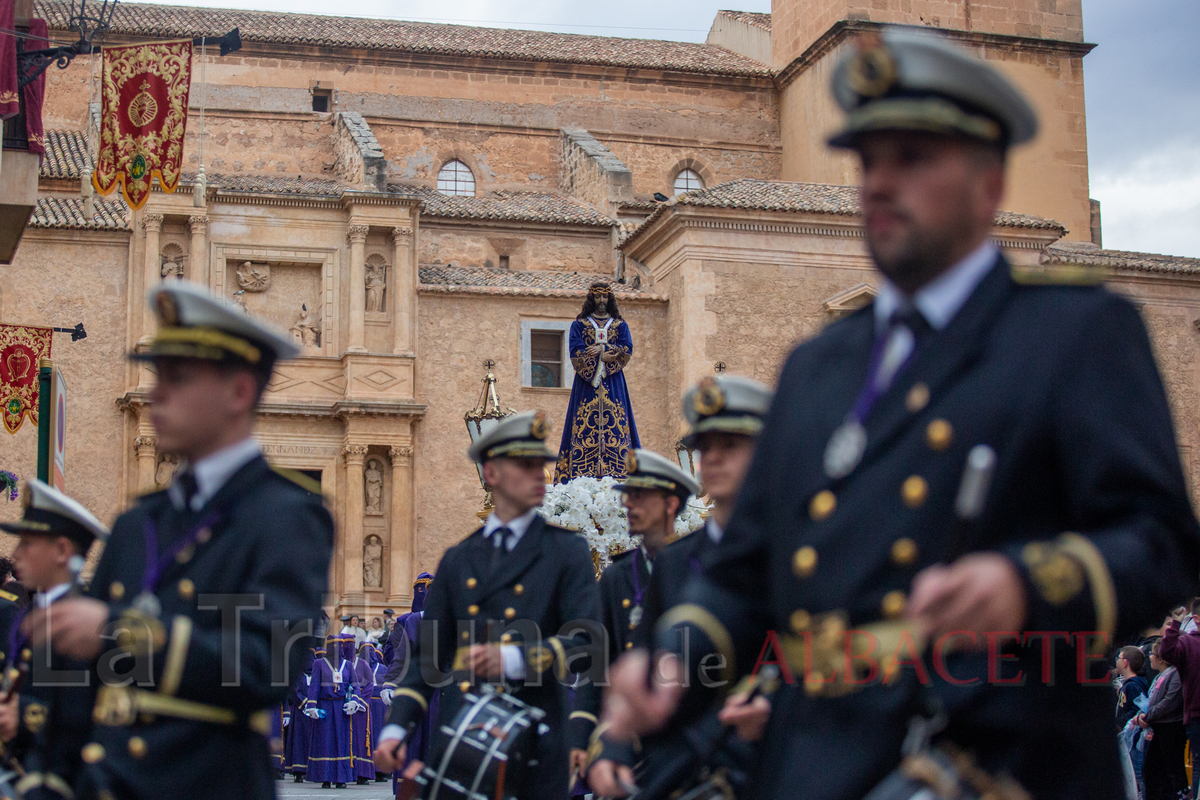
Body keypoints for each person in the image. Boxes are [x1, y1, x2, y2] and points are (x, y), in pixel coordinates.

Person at [603, 26, 1200, 800]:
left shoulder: (1075, 332)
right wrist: (674, 659)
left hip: (994, 755)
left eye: (912, 160)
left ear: (988, 185)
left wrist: (1028, 582)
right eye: (869, 162)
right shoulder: (820, 366)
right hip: (816, 761)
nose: (880, 183)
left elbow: (1160, 544)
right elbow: (744, 568)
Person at [25, 280, 334, 800]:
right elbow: (81, 681)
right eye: (156, 376)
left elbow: (271, 664)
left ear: (238, 392)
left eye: (178, 378)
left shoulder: (285, 515)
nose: (155, 394)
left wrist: (122, 633)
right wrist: (48, 779)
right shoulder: (137, 522)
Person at [374, 411, 602, 800]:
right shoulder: (459, 559)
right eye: (525, 465)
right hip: (464, 738)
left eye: (541, 465)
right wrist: (397, 728)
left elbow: (587, 643)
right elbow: (429, 658)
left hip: (537, 743)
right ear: (491, 474)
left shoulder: (566, 552)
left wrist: (516, 660)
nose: (539, 475)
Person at [587, 376, 773, 797]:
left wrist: (773, 699)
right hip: (683, 764)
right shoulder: (674, 561)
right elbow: (642, 658)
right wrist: (612, 746)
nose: (714, 460)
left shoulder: (793, 552)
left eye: (731, 447)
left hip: (767, 760)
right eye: (706, 448)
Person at [0, 480, 107, 799]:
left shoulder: (84, 622)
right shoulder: (36, 614)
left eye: (28, 543)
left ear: (61, 551)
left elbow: (99, 716)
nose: (16, 554)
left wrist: (26, 714)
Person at [553, 283, 641, 482]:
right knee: (582, 424)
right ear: (591, 299)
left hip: (613, 383)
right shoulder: (579, 325)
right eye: (598, 297)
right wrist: (599, 359)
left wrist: (605, 352)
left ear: (610, 300)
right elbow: (575, 352)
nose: (602, 301)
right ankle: (581, 472)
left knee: (618, 423)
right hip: (586, 386)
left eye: (605, 298)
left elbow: (627, 348)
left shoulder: (620, 325)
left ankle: (620, 472)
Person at [379, 573, 435, 799]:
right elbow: (400, 656)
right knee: (413, 741)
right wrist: (390, 682)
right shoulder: (411, 621)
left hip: (445, 693)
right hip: (415, 690)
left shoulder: (458, 619)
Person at [1138, 640, 1187, 800]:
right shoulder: (1160, 676)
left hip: (1170, 727)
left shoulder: (1176, 674)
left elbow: (1169, 701)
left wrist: (1148, 716)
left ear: (1161, 658)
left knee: (1171, 770)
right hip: (1157, 727)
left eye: (1151, 654)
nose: (1149, 658)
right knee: (1150, 769)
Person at [304, 636, 354, 788]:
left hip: (341, 709)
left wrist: (354, 701)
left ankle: (341, 778)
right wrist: (312, 706)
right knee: (325, 742)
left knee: (341, 742)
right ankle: (325, 777)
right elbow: (314, 686)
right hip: (324, 707)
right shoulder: (319, 664)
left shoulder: (348, 665)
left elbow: (355, 685)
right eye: (334, 647)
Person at [1159, 613, 1200, 799]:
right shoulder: (1188, 642)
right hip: (1196, 715)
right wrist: (1176, 623)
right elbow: (1166, 653)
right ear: (1197, 618)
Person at [1116, 645, 1149, 796]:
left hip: (1135, 738)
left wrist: (1119, 722)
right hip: (1129, 736)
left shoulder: (1134, 686)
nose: (1116, 661)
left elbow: (1136, 709)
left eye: (1119, 658)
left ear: (1126, 663)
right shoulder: (1127, 685)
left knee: (1137, 773)